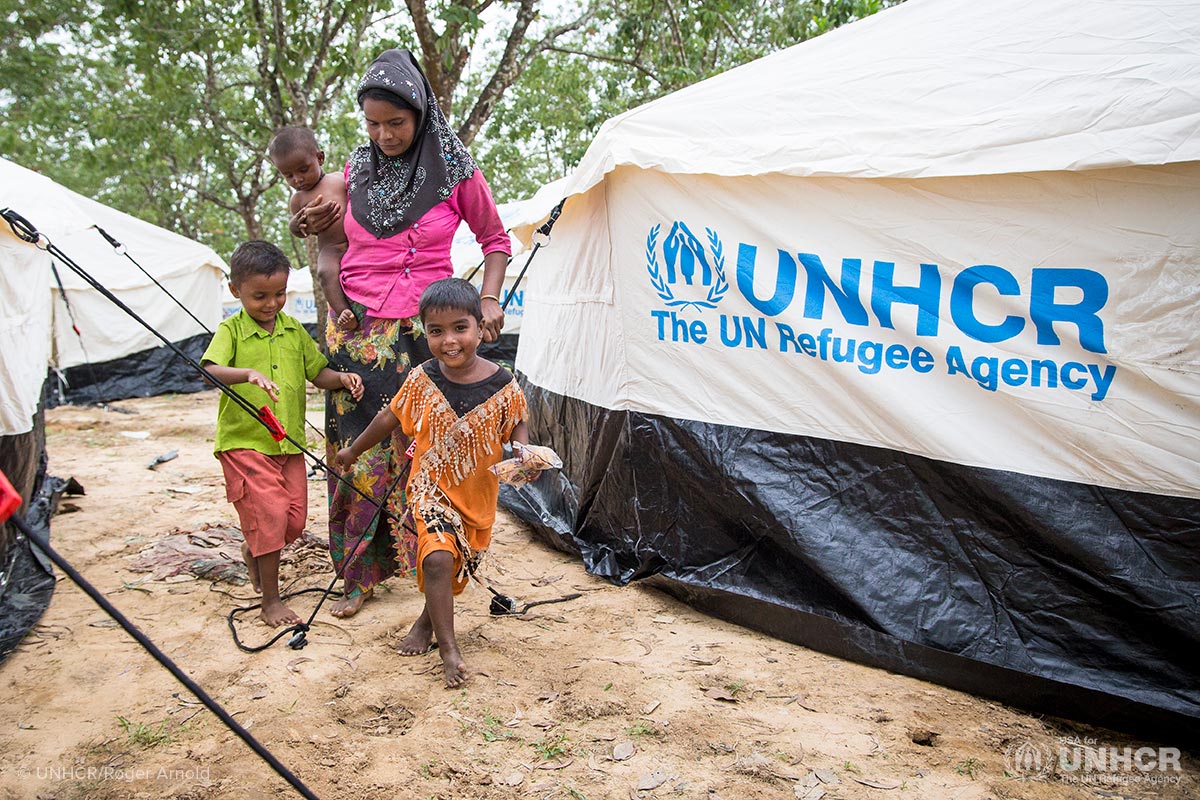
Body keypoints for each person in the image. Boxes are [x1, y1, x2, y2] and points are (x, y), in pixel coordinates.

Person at [291, 49, 513, 619]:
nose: (384, 134)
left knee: (426, 455)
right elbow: (319, 229)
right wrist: (304, 221)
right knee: (357, 457)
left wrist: (488, 298)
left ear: (420, 113)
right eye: (372, 124)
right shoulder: (353, 173)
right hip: (359, 335)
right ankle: (356, 576)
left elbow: (495, 240)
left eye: (396, 122)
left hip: (428, 331)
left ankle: (433, 572)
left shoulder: (454, 168)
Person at [335, 278, 529, 686]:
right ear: (424, 332)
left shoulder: (503, 383)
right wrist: (354, 450)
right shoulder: (423, 378)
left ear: (481, 327)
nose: (449, 341)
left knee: (456, 565)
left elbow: (518, 424)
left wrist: (525, 454)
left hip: (478, 497)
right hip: (430, 489)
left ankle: (426, 622)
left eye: (460, 328)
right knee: (438, 558)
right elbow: (391, 416)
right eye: (436, 331)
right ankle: (449, 648)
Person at [202, 241, 364, 627]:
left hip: (287, 443)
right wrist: (246, 374)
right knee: (271, 515)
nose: (271, 304)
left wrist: (340, 378)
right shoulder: (232, 331)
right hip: (245, 443)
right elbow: (210, 369)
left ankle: (253, 549)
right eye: (260, 296)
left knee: (292, 522)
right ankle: (270, 602)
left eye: (279, 294)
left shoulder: (293, 330)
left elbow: (317, 372)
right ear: (235, 290)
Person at [268, 127, 357, 331]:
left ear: (320, 158)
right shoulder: (298, 199)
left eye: (303, 169)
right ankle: (343, 311)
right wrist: (295, 226)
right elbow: (301, 229)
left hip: (357, 243)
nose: (297, 179)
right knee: (325, 273)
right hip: (331, 248)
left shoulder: (338, 180)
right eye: (288, 175)